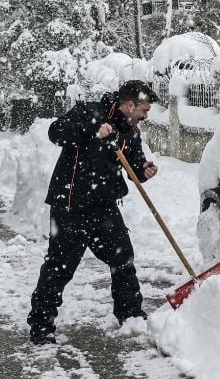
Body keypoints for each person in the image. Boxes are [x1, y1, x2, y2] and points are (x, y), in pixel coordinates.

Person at [27, 79, 160, 345]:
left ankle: (130, 314)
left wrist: (143, 171)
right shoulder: (90, 111)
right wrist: (91, 130)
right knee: (60, 266)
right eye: (144, 109)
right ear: (130, 105)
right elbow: (56, 132)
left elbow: (133, 166)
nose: (146, 115)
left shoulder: (131, 131)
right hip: (71, 205)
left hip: (104, 206)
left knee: (122, 257)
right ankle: (41, 325)